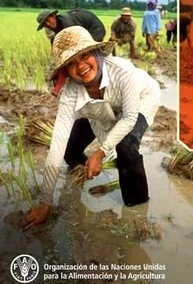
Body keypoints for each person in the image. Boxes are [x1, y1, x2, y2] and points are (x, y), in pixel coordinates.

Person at [24, 26, 161, 229]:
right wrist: (45, 201)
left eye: (84, 55)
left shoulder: (123, 73)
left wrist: (100, 153)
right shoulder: (71, 94)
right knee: (70, 147)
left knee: (126, 147)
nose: (80, 66)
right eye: (71, 63)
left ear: (96, 52)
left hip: (141, 98)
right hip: (100, 107)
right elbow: (57, 142)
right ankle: (80, 170)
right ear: (65, 71)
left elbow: (129, 117)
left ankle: (137, 206)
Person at [36, 8, 106, 43]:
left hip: (96, 28)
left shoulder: (67, 24)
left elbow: (75, 41)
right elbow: (54, 41)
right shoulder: (54, 26)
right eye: (44, 24)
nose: (47, 24)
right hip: (85, 28)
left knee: (88, 49)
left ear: (53, 16)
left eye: (48, 21)